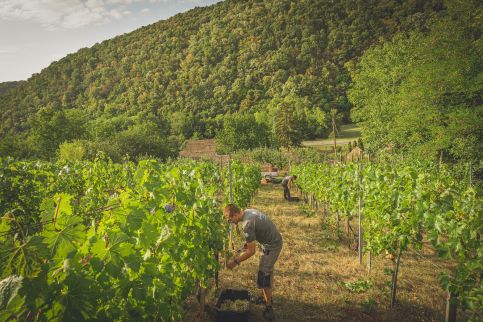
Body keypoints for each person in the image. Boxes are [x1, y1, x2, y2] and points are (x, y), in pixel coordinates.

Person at [224, 204, 283, 321]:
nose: (232, 222)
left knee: (264, 275)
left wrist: (235, 262)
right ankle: (265, 297)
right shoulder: (248, 211)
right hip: (268, 242)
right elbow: (252, 240)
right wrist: (242, 248)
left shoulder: (247, 224)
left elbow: (251, 251)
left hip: (272, 245)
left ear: (235, 214)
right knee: (264, 270)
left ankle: (269, 307)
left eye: (231, 220)